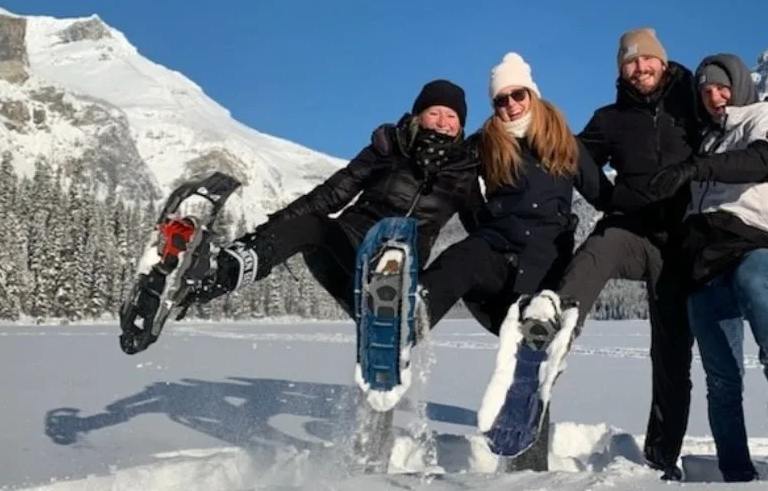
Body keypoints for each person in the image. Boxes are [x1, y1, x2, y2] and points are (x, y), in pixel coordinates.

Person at [512, 28, 704, 480]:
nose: (639, 69)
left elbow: (736, 123)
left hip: (679, 244)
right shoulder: (610, 119)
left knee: (673, 356)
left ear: (662, 61)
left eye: (646, 61)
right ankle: (552, 329)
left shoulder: (691, 105)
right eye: (630, 63)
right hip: (629, 228)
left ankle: (662, 459)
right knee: (595, 253)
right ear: (621, 70)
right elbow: (569, 154)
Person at [182, 78, 484, 315]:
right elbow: (330, 195)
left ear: (461, 124)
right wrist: (268, 232)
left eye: (452, 115)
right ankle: (214, 275)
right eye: (434, 112)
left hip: (402, 269)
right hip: (351, 250)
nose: (443, 122)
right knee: (312, 224)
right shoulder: (389, 147)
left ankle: (390, 320)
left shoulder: (463, 173)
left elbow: (484, 229)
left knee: (405, 268)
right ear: (419, 115)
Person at [645, 52, 768, 483]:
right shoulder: (707, 138)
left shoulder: (763, 119)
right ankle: (737, 474)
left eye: (722, 88)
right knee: (721, 381)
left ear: (738, 87)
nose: (715, 97)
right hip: (706, 265)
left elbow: (763, 161)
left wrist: (697, 168)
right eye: (706, 91)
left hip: (758, 242)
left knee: (753, 282)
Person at [416, 52, 609, 333]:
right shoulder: (486, 142)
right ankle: (404, 323)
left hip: (547, 264)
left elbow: (604, 196)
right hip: (496, 255)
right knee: (458, 260)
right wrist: (405, 138)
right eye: (501, 100)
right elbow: (446, 165)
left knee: (531, 352)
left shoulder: (565, 143)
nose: (511, 104)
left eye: (517, 94)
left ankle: (536, 335)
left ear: (531, 94)